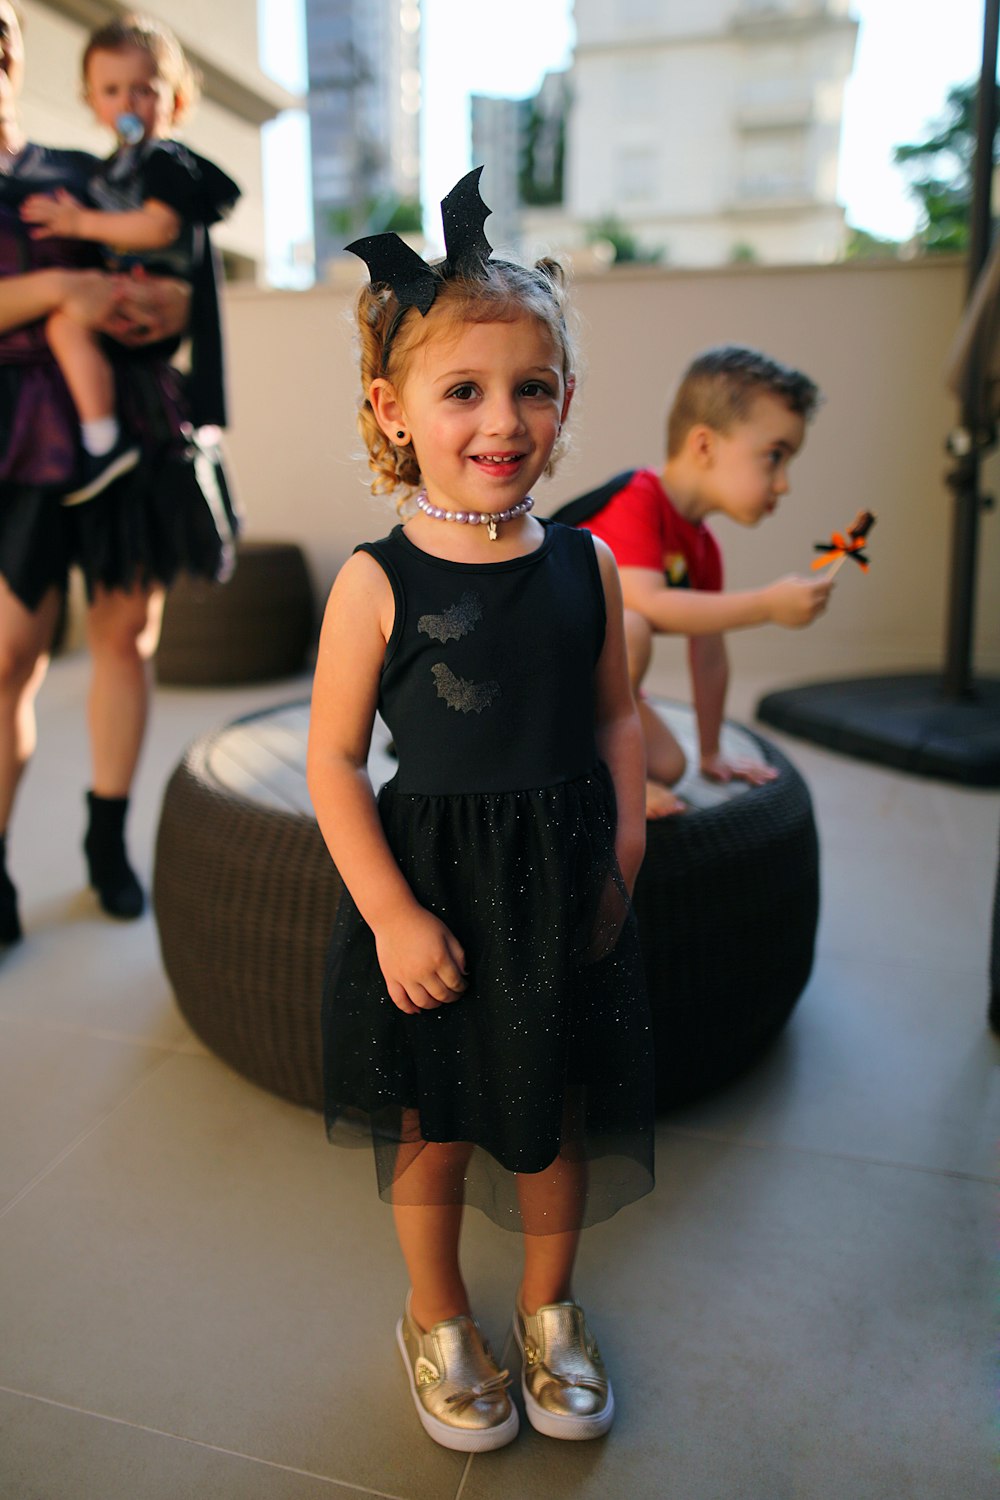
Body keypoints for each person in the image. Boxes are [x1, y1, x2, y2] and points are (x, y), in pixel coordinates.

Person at [307, 169, 654, 1454]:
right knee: (436, 1122)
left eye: (531, 388)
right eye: (463, 391)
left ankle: (549, 1308)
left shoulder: (588, 561)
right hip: (437, 892)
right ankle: (437, 1311)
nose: (500, 419)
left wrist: (619, 846)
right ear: (395, 412)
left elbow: (616, 716)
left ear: (564, 404)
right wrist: (391, 915)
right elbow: (335, 763)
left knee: (554, 1106)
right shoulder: (375, 581)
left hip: (565, 878)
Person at [0, 0, 238, 947]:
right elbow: (79, 281)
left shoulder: (81, 172)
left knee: (126, 638)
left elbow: (172, 278)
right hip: (16, 447)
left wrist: (166, 305)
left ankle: (106, 843)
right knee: (11, 658)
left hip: (130, 432)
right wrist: (61, 288)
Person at [553, 345, 832, 817]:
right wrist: (766, 605)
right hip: (539, 673)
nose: (783, 483)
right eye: (775, 457)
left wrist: (709, 752)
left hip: (589, 680)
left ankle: (603, 757)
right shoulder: (637, 499)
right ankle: (584, 780)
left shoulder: (703, 547)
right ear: (704, 445)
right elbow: (649, 602)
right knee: (634, 626)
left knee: (667, 764)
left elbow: (709, 656)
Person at [19, 12, 240, 503]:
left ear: (175, 99)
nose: (128, 103)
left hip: (155, 287)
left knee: (64, 323)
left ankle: (103, 440)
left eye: (143, 89)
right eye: (112, 91)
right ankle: (99, 433)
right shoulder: (111, 170)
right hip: (131, 298)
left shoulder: (165, 160)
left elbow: (158, 225)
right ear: (92, 100)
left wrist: (80, 223)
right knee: (63, 327)